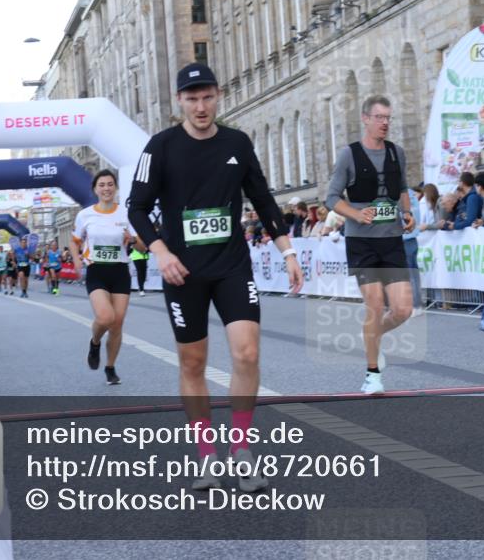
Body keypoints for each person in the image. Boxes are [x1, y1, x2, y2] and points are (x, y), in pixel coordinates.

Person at [128, 62, 303, 493]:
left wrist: (289, 253)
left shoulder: (237, 143)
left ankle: (241, 449)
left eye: (207, 97)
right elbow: (136, 207)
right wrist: (161, 252)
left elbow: (263, 201)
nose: (201, 106)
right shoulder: (160, 147)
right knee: (193, 363)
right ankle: (207, 457)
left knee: (246, 354)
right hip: (182, 271)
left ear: (218, 95)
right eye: (192, 99)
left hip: (231, 266)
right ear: (180, 102)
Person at [325, 94, 415, 396]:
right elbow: (331, 198)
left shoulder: (396, 153)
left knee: (402, 310)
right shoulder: (348, 155)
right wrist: (355, 213)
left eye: (388, 117)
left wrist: (407, 212)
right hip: (362, 242)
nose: (385, 123)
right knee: (375, 306)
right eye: (379, 117)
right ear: (365, 119)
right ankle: (372, 374)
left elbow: (401, 187)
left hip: (391, 241)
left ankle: (373, 340)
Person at [71, 170, 140, 386]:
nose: (106, 188)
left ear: (116, 188)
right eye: (102, 185)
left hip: (119, 271)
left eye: (110, 184)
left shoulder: (126, 214)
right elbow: (75, 241)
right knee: (105, 317)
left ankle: (110, 368)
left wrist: (133, 240)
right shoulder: (85, 215)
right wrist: (76, 260)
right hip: (97, 271)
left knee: (117, 324)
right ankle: (94, 342)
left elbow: (142, 246)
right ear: (95, 189)